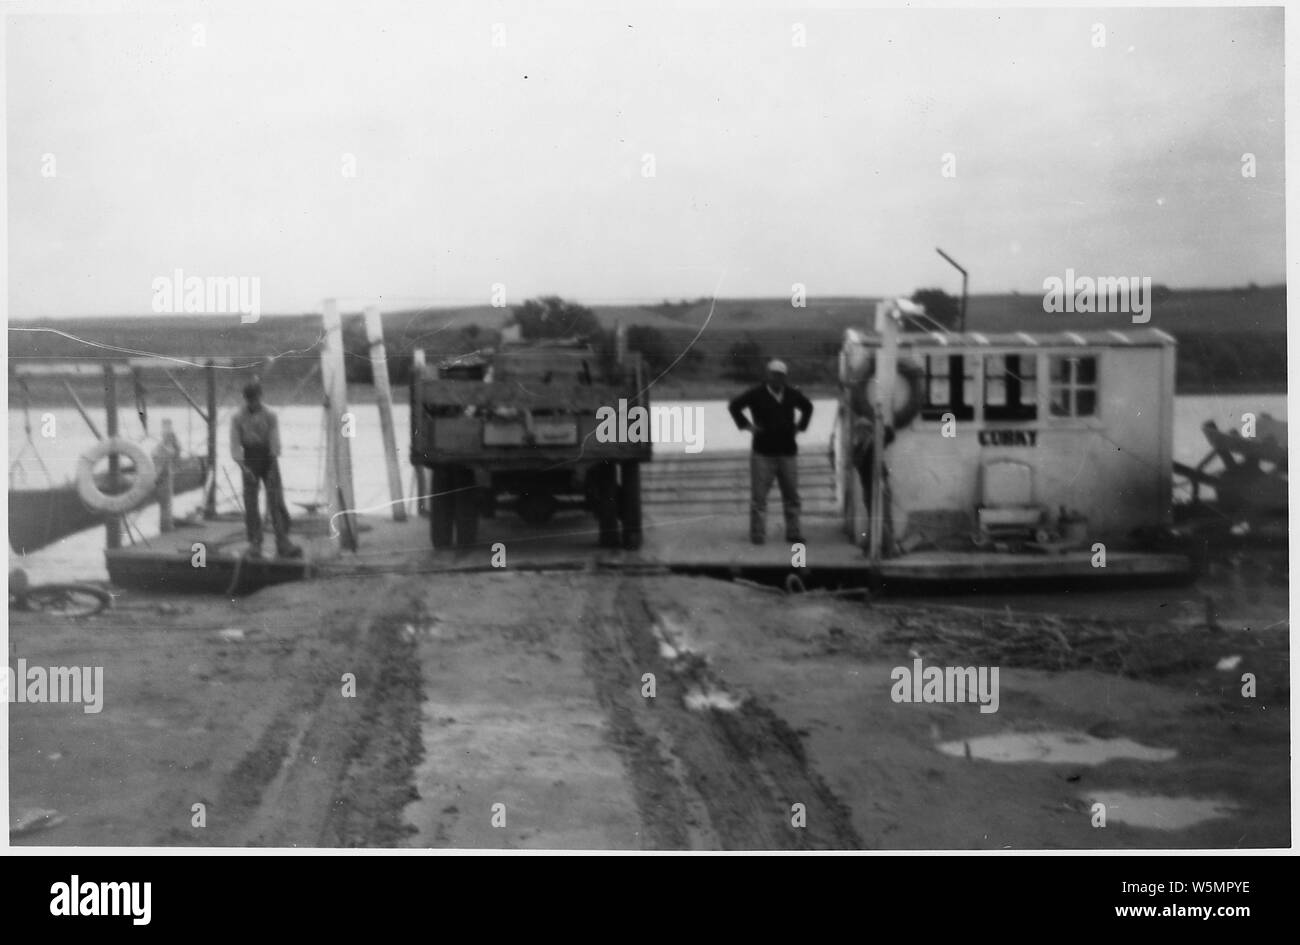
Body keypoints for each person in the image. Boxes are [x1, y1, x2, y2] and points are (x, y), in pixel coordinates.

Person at [728, 359, 813, 545]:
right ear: (767, 375)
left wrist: (800, 427)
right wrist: (748, 427)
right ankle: (758, 535)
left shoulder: (792, 394)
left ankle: (793, 533)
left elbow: (808, 407)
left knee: (792, 496)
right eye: (774, 374)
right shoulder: (756, 394)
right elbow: (734, 406)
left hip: (787, 452)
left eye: (781, 375)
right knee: (759, 497)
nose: (777, 378)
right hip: (762, 453)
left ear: (785, 377)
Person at [230, 382, 301, 559]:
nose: (253, 402)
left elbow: (275, 441)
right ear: (246, 399)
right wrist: (243, 467)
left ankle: (282, 541)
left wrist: (272, 464)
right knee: (250, 503)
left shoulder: (270, 415)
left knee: (275, 500)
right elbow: (234, 444)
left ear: (260, 397)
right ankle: (255, 543)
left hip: (268, 457)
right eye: (250, 400)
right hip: (249, 458)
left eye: (255, 398)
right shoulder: (237, 417)